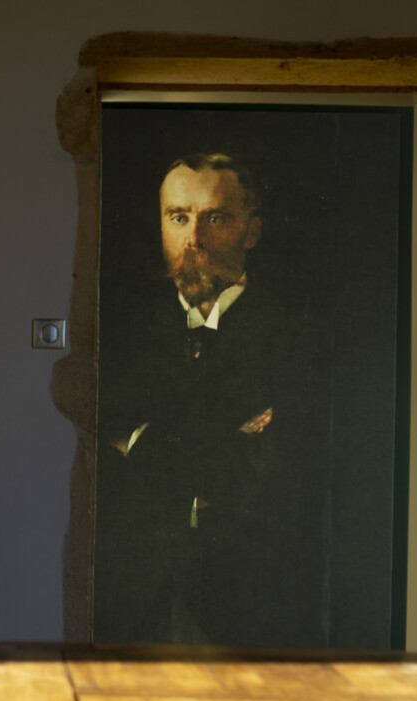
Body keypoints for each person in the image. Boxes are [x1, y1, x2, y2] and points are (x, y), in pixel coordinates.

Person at [95, 153, 327, 648]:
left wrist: (140, 443)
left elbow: (283, 465)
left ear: (251, 232)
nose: (194, 238)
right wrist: (230, 435)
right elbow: (99, 434)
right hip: (138, 592)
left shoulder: (297, 331)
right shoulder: (122, 330)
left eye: (215, 218)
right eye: (178, 217)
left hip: (251, 590)